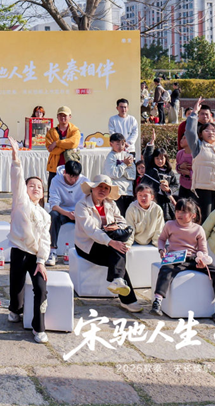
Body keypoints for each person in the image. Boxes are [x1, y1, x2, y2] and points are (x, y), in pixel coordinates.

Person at [150, 199, 215, 326]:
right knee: (165, 270)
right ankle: (157, 301)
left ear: (193, 215)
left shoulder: (198, 229)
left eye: (183, 212)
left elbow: (203, 249)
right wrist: (161, 249)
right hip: (175, 258)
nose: (179, 214)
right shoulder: (170, 225)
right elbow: (162, 239)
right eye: (177, 211)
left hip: (193, 259)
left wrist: (202, 260)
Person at [3, 137, 52, 343]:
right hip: (19, 250)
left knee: (41, 288)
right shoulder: (20, 201)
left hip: (35, 256)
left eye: (39, 187)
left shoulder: (46, 215)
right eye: (31, 185)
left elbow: (45, 239)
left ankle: (38, 328)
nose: (35, 188)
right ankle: (15, 309)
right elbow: (17, 179)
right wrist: (16, 158)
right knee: (16, 287)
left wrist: (41, 261)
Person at [74, 175, 141, 312]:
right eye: (100, 186)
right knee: (118, 254)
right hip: (87, 245)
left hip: (107, 242)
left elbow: (122, 222)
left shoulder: (110, 204)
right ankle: (127, 297)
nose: (102, 190)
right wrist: (111, 242)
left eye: (106, 188)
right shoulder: (82, 205)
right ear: (92, 188)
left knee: (118, 251)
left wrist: (116, 227)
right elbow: (91, 230)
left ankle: (118, 281)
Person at [183, 98, 215, 218]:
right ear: (201, 134)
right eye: (206, 130)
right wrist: (194, 113)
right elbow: (190, 132)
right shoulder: (198, 146)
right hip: (204, 190)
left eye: (213, 131)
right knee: (205, 219)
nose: (211, 132)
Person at [46, 159, 87, 266]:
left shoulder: (84, 181)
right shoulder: (56, 181)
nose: (73, 180)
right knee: (53, 216)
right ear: (65, 172)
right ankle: (52, 251)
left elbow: (88, 201)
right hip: (62, 211)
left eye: (76, 177)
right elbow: (53, 205)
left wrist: (78, 212)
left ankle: (84, 250)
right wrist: (67, 214)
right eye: (70, 177)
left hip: (79, 211)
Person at [141, 130, 178, 222]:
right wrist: (152, 142)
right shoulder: (150, 169)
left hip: (165, 203)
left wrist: (168, 189)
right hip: (152, 200)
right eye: (157, 158)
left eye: (162, 158)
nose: (160, 161)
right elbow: (147, 155)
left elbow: (175, 185)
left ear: (166, 159)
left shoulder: (169, 172)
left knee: (165, 221)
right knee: (151, 221)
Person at [104, 132, 137, 213]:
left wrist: (121, 170)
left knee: (128, 215)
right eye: (117, 144)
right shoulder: (110, 157)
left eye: (122, 144)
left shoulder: (128, 156)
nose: (120, 146)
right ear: (111, 144)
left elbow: (132, 175)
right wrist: (124, 165)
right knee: (119, 215)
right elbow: (113, 174)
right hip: (117, 192)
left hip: (128, 191)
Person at [45, 106, 80, 176]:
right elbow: (51, 149)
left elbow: (73, 143)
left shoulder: (75, 130)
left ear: (70, 117)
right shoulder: (51, 132)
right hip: (54, 166)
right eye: (60, 115)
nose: (62, 117)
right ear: (57, 117)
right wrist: (67, 146)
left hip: (71, 166)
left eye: (65, 115)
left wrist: (56, 143)